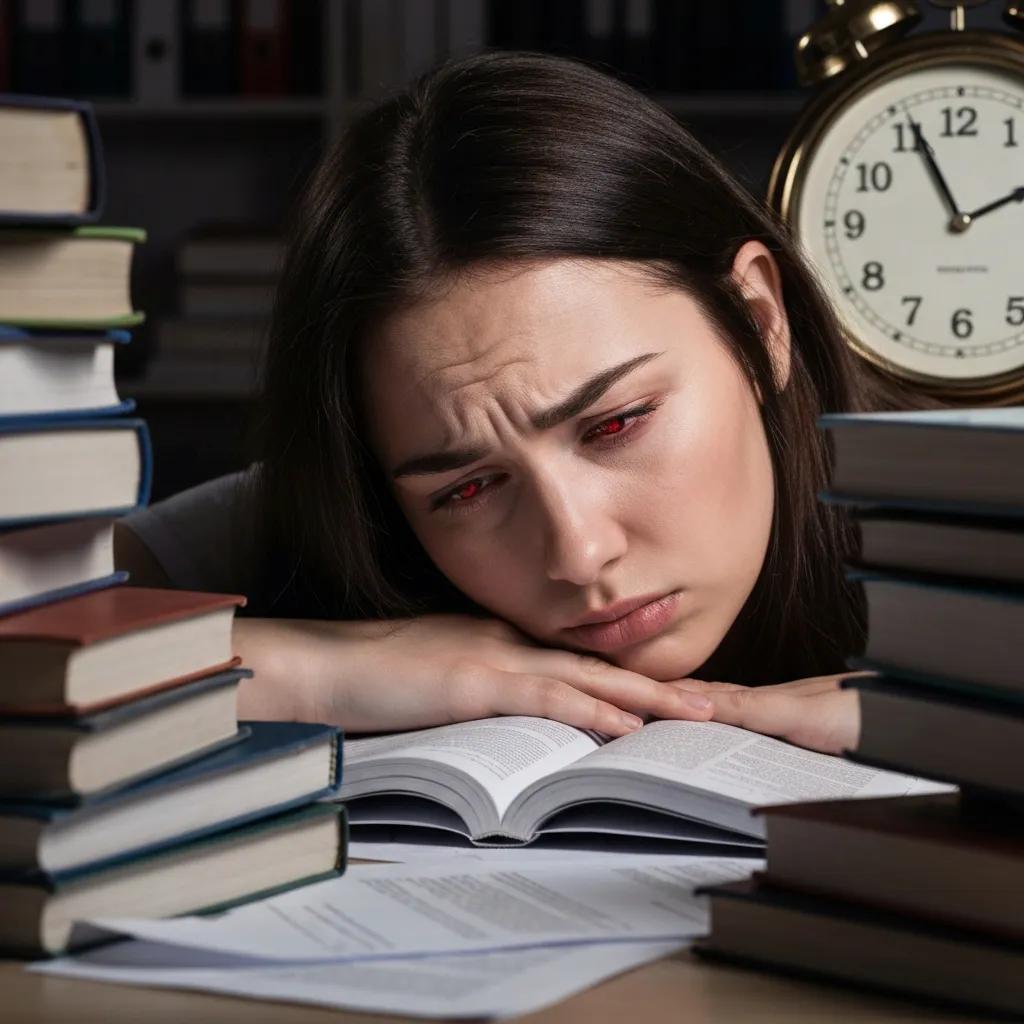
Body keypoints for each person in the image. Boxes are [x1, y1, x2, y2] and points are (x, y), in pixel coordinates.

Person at [118, 51, 917, 754]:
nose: (578, 554)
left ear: (759, 321)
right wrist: (319, 672)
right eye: (466, 490)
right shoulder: (344, 512)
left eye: (616, 424)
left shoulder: (968, 499)